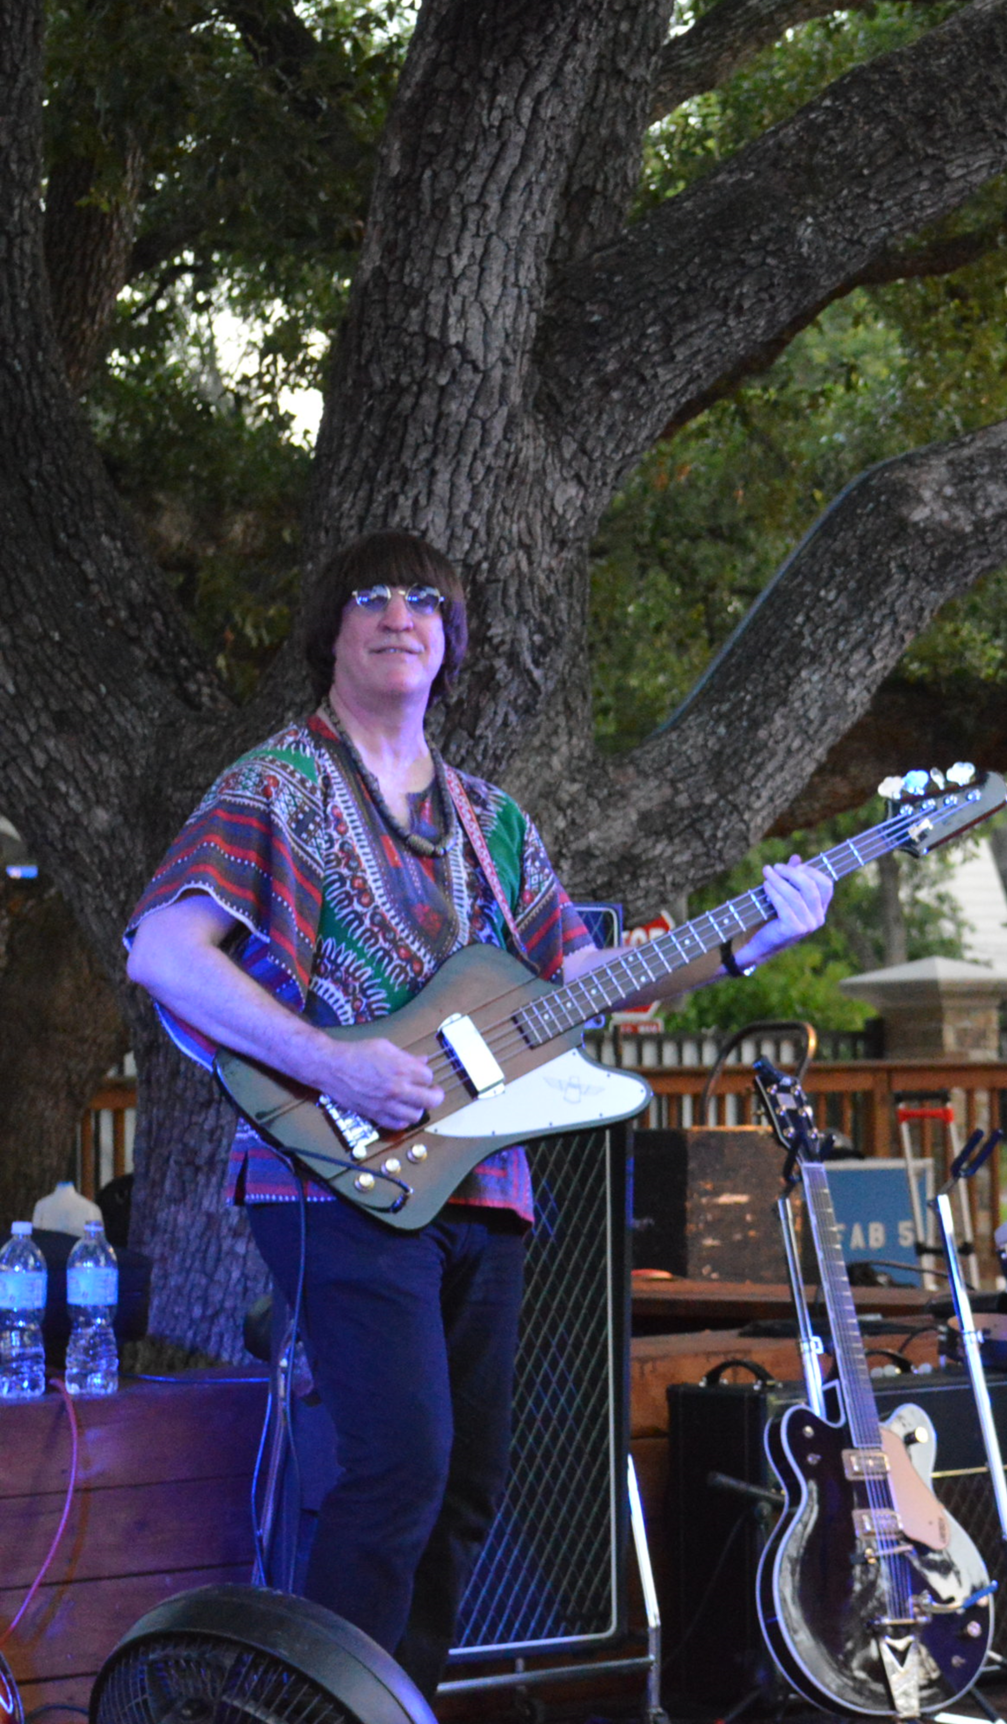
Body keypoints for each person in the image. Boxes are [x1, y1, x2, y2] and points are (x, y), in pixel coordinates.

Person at [125, 532, 832, 1693]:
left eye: (426, 602)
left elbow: (589, 979)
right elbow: (162, 951)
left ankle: (397, 1707)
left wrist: (751, 936)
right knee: (399, 1467)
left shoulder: (493, 822)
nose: (399, 615)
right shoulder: (272, 785)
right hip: (329, 1168)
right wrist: (336, 1066)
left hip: (482, 1183)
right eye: (372, 597)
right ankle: (312, 1715)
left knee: (465, 1486)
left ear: (450, 641)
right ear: (332, 632)